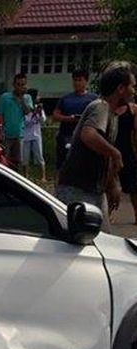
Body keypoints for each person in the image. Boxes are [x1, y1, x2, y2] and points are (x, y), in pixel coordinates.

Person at [56, 61, 136, 232]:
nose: (133, 91)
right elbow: (88, 135)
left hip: (94, 189)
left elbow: (103, 155)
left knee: (103, 237)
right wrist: (115, 153)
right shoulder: (101, 107)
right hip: (76, 189)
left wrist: (112, 184)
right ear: (120, 89)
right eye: (132, 86)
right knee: (80, 238)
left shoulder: (112, 115)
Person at [52, 69, 98, 172]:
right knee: (63, 164)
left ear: (86, 81)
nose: (77, 83)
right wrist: (70, 119)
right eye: (75, 80)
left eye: (80, 80)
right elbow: (55, 116)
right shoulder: (65, 99)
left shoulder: (93, 99)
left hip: (85, 136)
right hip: (66, 135)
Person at [0, 73, 34, 172]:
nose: (20, 87)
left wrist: (21, 99)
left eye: (23, 85)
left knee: (18, 161)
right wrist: (0, 130)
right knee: (4, 160)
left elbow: (27, 112)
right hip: (6, 134)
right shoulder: (5, 97)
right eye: (18, 84)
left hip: (19, 134)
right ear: (14, 84)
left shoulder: (27, 98)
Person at [116, 99, 137, 223]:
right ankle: (106, 214)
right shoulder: (107, 108)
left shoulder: (133, 109)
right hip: (109, 149)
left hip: (127, 151)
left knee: (133, 186)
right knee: (107, 184)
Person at [22, 88, 47, 181]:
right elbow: (25, 123)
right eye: (37, 96)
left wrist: (39, 113)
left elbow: (43, 121)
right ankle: (25, 176)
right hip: (26, 136)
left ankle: (43, 176)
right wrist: (33, 114)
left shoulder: (38, 108)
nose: (39, 97)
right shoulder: (24, 109)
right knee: (25, 157)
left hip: (36, 135)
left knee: (39, 155)